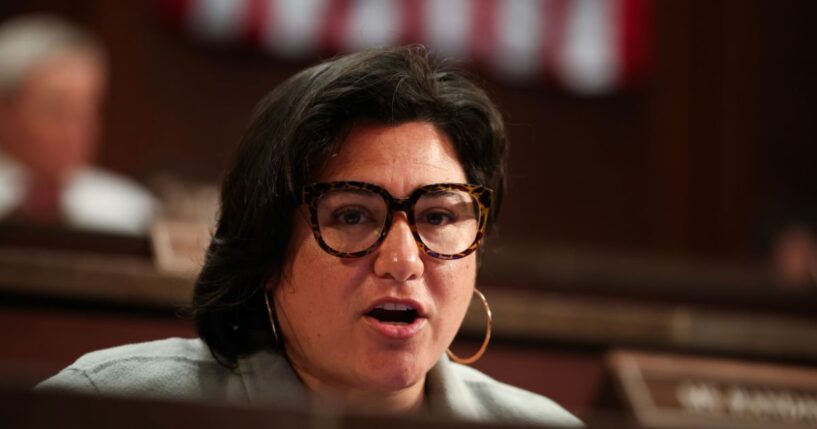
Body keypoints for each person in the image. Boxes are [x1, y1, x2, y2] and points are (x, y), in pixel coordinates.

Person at [37, 45, 582, 426]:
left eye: (438, 217)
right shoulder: (109, 405)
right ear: (268, 249)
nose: (402, 261)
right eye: (352, 216)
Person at [0, 14, 156, 235]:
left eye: (87, 111)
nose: (75, 131)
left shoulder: (132, 214)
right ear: (5, 112)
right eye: (57, 110)